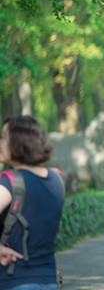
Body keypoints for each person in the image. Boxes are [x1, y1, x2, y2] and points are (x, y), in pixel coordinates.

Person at [0, 116, 65, 290]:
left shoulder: (10, 182)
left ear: (19, 141)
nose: (0, 142)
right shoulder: (57, 179)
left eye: (4, 136)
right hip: (49, 280)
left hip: (14, 280)